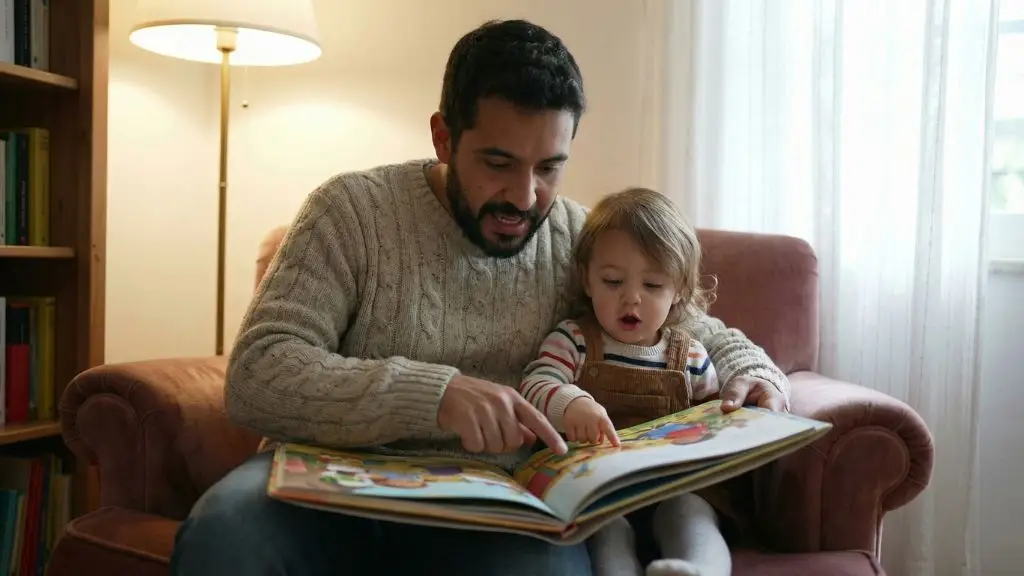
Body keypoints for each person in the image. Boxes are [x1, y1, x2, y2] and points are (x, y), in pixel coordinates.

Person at [170, 18, 790, 576]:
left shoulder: (578, 236)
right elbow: (257, 373)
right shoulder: (349, 212)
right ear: (444, 138)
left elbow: (688, 323)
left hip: (494, 511)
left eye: (549, 167)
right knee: (225, 536)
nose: (524, 196)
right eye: (498, 162)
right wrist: (433, 395)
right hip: (323, 491)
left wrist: (752, 371)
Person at [521, 188, 767, 576]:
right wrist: (569, 401)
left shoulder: (692, 356)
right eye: (613, 281)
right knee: (606, 532)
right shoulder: (575, 339)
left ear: (679, 292)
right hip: (600, 495)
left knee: (693, 514)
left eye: (652, 286)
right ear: (587, 280)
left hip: (672, 490)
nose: (631, 298)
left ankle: (697, 569)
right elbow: (536, 382)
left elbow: (717, 420)